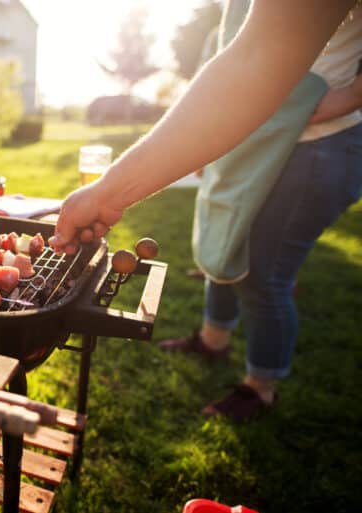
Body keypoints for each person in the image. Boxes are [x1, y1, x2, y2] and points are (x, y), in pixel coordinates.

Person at [49, 0, 362, 422]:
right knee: (225, 238)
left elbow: (259, 57)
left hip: (315, 146)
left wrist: (331, 101)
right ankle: (213, 341)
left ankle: (261, 388)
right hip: (255, 135)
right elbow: (242, 53)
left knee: (264, 274)